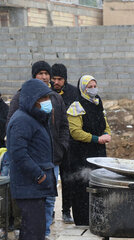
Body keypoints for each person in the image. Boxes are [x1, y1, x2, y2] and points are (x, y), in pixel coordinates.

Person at [7, 61, 69, 240]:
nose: (44, 77)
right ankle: (29, 239)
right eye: (40, 73)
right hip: (34, 165)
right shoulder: (21, 99)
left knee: (49, 199)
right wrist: (36, 170)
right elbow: (16, 141)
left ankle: (44, 234)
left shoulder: (55, 98)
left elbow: (64, 126)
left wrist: (62, 147)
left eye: (46, 73)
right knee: (32, 207)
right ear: (34, 76)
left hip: (53, 159)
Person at [7, 78, 57, 240]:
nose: (46, 101)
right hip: (30, 186)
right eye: (42, 98)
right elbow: (18, 154)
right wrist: (39, 176)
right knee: (33, 232)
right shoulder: (21, 120)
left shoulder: (35, 118)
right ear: (30, 100)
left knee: (31, 231)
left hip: (35, 186)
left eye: (47, 97)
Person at [67, 75, 111, 226]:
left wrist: (106, 134)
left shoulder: (98, 103)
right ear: (82, 89)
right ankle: (82, 221)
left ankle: (97, 220)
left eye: (94, 86)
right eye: (89, 87)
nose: (93, 90)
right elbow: (75, 132)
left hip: (98, 153)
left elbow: (105, 124)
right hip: (81, 154)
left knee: (98, 186)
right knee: (82, 188)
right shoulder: (76, 106)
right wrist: (95, 139)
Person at [51, 63, 78, 224]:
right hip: (52, 143)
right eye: (54, 78)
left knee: (68, 179)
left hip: (69, 144)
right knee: (51, 180)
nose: (56, 82)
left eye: (59, 79)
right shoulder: (46, 94)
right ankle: (51, 212)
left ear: (65, 79)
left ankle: (66, 210)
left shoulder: (73, 93)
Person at [0, 84, 16, 240]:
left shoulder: (4, 111)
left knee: (3, 190)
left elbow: (7, 132)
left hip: (1, 156)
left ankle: (6, 222)